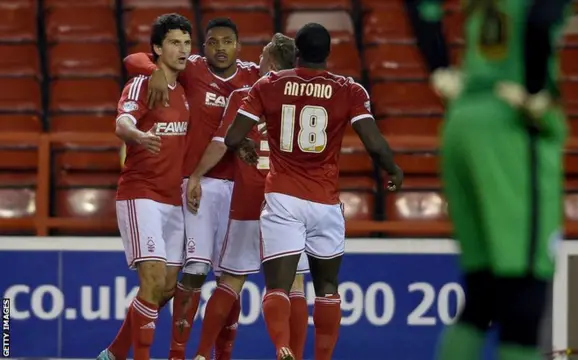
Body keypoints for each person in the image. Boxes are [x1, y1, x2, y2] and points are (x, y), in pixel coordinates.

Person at [224, 23, 403, 360]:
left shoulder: (269, 85)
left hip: (283, 197)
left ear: (298, 52)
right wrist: (392, 169)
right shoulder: (349, 89)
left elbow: (233, 137)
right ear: (328, 52)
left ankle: (282, 347)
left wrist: (245, 146)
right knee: (326, 289)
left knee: (278, 286)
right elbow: (374, 144)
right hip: (325, 201)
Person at [417, 1, 572, 359]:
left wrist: (438, 64)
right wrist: (535, 92)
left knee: (482, 294)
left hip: (463, 117)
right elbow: (542, 17)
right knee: (526, 297)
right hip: (512, 123)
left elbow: (423, 7)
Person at [123, 17, 260, 359]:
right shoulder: (193, 68)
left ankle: (220, 355)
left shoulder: (252, 74)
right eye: (212, 42)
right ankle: (176, 353)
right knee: (193, 272)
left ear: (237, 45)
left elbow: (286, 74)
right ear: (204, 47)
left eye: (227, 42)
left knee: (231, 279)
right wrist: (152, 69)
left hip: (240, 186)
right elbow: (133, 59)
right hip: (195, 184)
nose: (220, 49)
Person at [191, 33, 311, 360]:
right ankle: (293, 353)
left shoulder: (247, 95)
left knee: (231, 280)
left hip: (248, 199)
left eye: (261, 58)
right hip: (288, 200)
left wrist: (197, 175)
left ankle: (202, 355)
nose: (256, 62)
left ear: (270, 63)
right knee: (295, 283)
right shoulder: (310, 102)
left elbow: (223, 142)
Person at [97, 13, 192, 360]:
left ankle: (113, 354)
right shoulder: (142, 83)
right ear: (157, 48)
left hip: (174, 199)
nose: (182, 50)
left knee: (166, 288)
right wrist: (137, 135)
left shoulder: (185, 89)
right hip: (142, 194)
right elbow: (122, 123)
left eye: (186, 43)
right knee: (151, 282)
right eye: (173, 43)